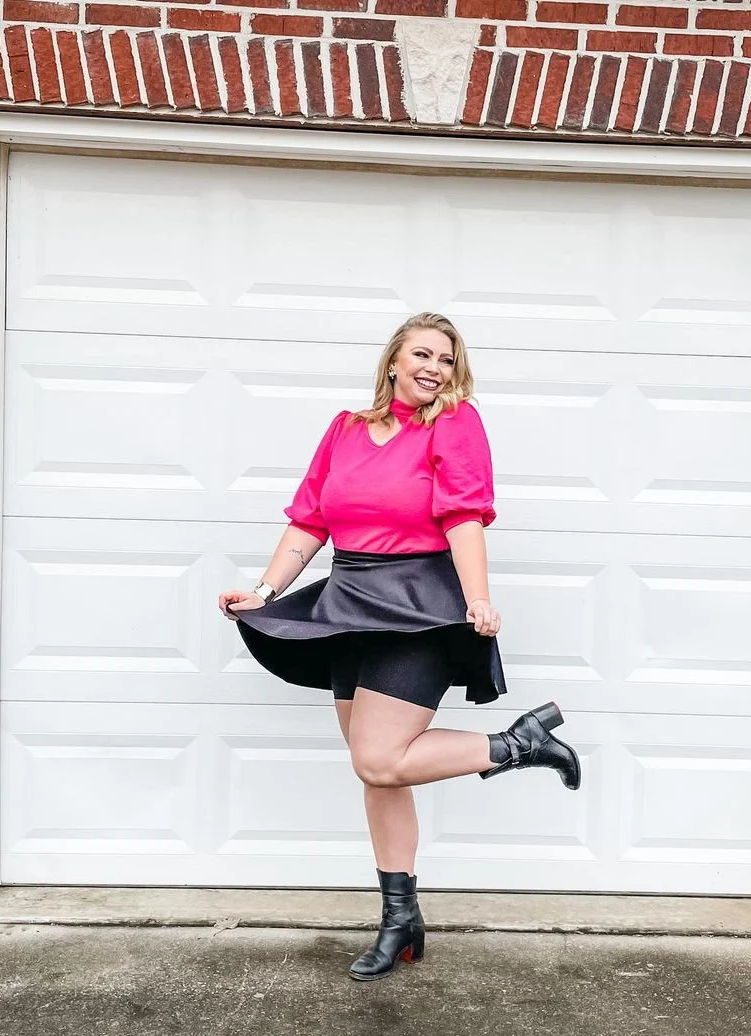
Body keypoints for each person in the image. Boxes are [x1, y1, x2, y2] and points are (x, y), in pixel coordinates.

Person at [218, 312, 581, 982]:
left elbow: (464, 516)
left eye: (447, 360)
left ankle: (518, 745)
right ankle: (401, 918)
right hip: (349, 606)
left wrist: (477, 597)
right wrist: (267, 591)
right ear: (393, 360)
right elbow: (311, 523)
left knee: (382, 757)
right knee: (376, 771)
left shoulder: (453, 423)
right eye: (423, 354)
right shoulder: (346, 428)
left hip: (419, 607)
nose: (435, 369)